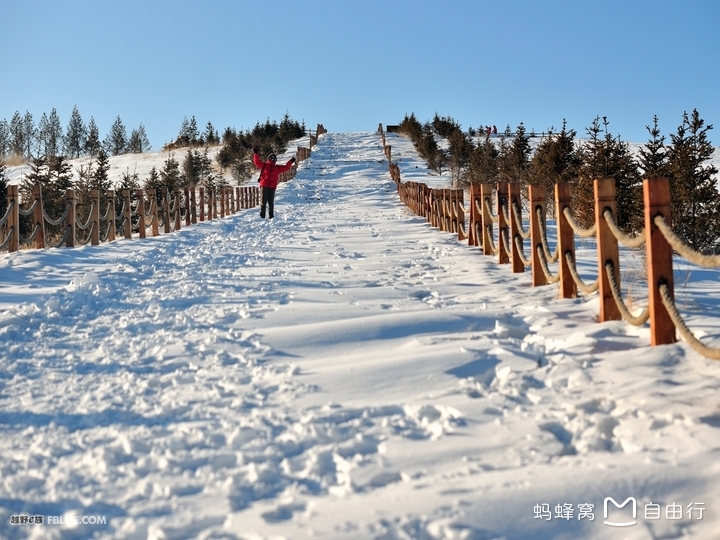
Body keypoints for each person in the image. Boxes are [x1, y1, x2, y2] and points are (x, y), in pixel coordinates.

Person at [252, 147, 296, 219]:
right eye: (272, 158)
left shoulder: (277, 168)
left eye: (274, 158)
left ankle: (271, 216)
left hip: (272, 187)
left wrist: (291, 161)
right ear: (269, 159)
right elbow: (257, 162)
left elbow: (285, 167)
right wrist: (255, 153)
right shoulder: (264, 165)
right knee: (263, 202)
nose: (273, 160)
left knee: (271, 203)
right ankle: (262, 216)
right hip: (264, 185)